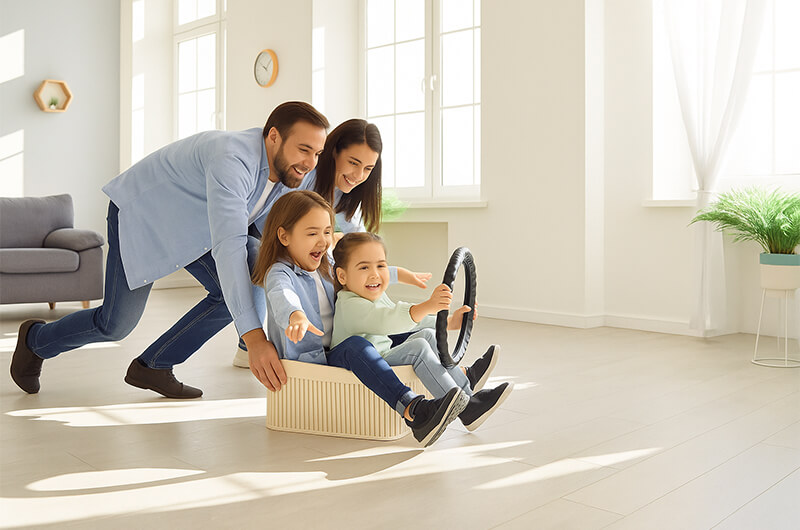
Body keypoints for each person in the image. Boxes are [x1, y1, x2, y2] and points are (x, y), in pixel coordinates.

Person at [10, 101, 328, 399]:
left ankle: (155, 365)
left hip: (198, 226)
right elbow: (230, 247)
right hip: (143, 214)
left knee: (246, 273)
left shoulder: (294, 172)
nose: (310, 162)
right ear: (273, 136)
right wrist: (255, 337)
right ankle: (35, 340)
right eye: (304, 150)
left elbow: (284, 232)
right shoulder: (232, 159)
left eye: (317, 153)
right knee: (115, 325)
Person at [251, 190, 468, 447]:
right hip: (316, 356)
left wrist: (401, 275)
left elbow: (361, 267)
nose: (323, 241)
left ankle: (466, 389)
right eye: (312, 234)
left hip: (337, 343)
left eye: (327, 232)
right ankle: (412, 409)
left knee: (414, 334)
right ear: (284, 236)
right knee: (358, 345)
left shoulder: (324, 263)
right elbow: (282, 294)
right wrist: (295, 315)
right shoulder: (280, 272)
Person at [232, 117, 396, 368]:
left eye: (367, 169)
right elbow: (277, 224)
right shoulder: (304, 177)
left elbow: (360, 244)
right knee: (271, 270)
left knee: (339, 269)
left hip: (298, 248)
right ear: (333, 152)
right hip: (262, 234)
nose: (358, 175)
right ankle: (249, 344)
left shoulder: (348, 195)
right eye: (353, 163)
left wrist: (376, 279)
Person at [331, 232, 514, 432]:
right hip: (363, 362)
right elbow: (387, 320)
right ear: (342, 276)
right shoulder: (349, 305)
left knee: (427, 335)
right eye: (364, 267)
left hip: (381, 353)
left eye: (381, 266)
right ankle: (466, 409)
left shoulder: (375, 296)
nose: (375, 274)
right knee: (418, 347)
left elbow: (407, 321)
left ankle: (468, 393)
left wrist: (449, 322)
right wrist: (427, 306)